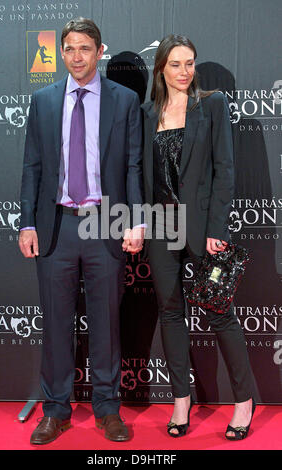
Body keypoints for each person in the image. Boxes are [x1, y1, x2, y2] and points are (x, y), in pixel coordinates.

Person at [19, 17, 144, 445]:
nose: (76, 57)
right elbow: (32, 166)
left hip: (105, 221)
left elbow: (132, 166)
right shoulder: (44, 100)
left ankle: (108, 409)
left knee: (106, 322)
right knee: (56, 323)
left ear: (99, 51)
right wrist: (28, 222)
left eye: (84, 49)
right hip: (56, 224)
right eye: (69, 49)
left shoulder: (124, 100)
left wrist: (136, 221)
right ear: (62, 53)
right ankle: (55, 410)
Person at [141, 34, 255, 440]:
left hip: (203, 228)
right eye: (176, 64)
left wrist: (216, 230)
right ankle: (181, 400)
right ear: (161, 68)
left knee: (219, 311)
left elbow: (225, 170)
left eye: (190, 63)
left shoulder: (213, 104)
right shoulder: (146, 111)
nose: (185, 71)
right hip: (160, 227)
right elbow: (142, 175)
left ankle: (243, 402)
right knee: (170, 313)